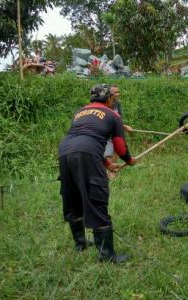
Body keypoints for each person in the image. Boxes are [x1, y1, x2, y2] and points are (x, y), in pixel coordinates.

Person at [58, 84, 137, 263]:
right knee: (96, 197)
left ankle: (80, 244)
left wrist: (107, 163)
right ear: (109, 99)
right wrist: (129, 160)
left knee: (73, 197)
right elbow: (120, 146)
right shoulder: (113, 115)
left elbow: (83, 139)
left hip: (64, 152)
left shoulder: (79, 112)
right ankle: (106, 255)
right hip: (86, 153)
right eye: (113, 98)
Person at [104, 85, 133, 179]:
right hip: (107, 132)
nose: (118, 94)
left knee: (116, 152)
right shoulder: (106, 104)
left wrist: (123, 126)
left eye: (118, 92)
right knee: (108, 152)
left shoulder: (117, 104)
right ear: (109, 94)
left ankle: (113, 172)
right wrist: (125, 127)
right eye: (115, 92)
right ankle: (107, 172)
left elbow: (118, 118)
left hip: (115, 131)